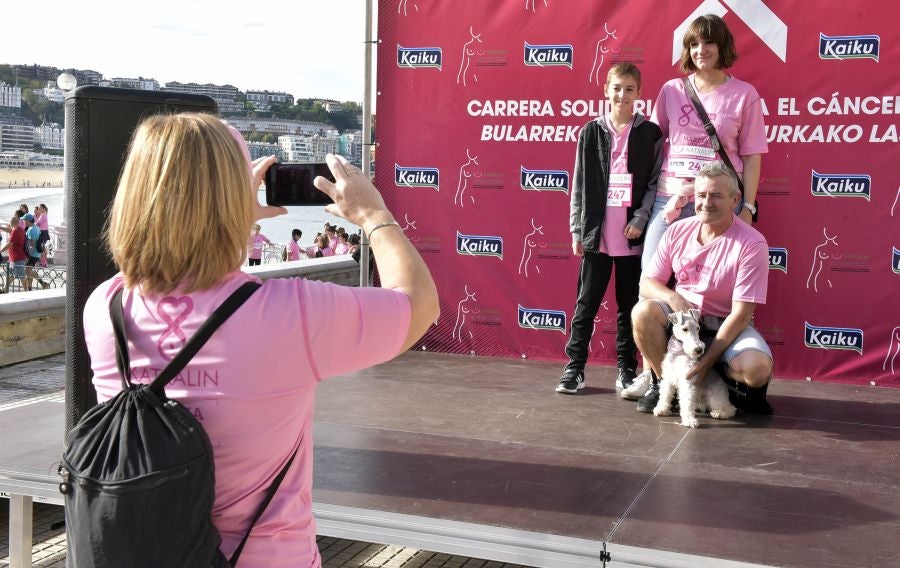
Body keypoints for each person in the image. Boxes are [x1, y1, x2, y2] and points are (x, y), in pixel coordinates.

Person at [81, 113, 439, 567]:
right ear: (231, 197)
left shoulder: (105, 307)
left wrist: (226, 219)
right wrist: (373, 215)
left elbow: (191, 279)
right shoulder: (290, 314)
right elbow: (420, 306)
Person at [631, 161, 773, 414]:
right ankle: (665, 384)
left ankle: (719, 377)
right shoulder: (677, 231)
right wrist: (673, 299)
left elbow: (741, 315)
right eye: (701, 195)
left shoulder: (752, 243)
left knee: (757, 370)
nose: (706, 202)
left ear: (735, 198)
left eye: (716, 195)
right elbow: (647, 282)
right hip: (686, 324)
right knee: (642, 312)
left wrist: (705, 363)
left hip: (726, 324)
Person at [555, 63, 662, 395]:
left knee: (628, 306)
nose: (622, 95)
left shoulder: (650, 133)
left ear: (639, 93)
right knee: (585, 304)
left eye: (629, 89)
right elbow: (579, 185)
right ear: (606, 89)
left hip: (632, 237)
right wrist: (577, 230)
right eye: (617, 88)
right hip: (595, 236)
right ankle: (574, 369)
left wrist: (642, 218)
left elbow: (655, 184)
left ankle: (626, 369)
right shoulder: (590, 131)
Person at [0, 213, 27, 291]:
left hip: (17, 258)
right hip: (15, 257)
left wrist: (1, 250)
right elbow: (10, 230)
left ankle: (27, 292)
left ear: (11, 224)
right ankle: (4, 290)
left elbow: (10, 244)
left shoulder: (15, 231)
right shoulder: (20, 229)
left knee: (22, 276)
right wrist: (1, 227)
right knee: (11, 275)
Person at [22, 213, 48, 290]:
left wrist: (27, 255)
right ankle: (38, 285)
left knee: (29, 271)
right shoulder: (37, 228)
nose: (24, 222)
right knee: (29, 271)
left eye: (24, 220)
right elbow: (41, 242)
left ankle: (34, 287)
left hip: (32, 254)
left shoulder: (30, 230)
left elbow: (32, 245)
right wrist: (43, 253)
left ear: (28, 221)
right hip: (37, 253)